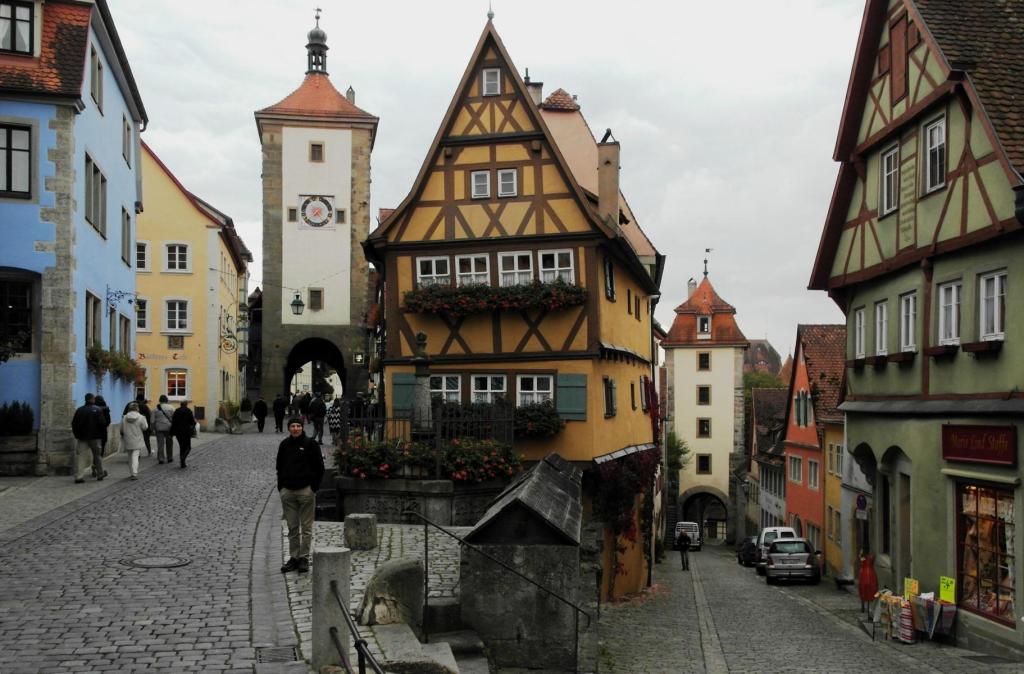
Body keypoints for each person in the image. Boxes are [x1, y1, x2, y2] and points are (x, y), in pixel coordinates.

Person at [277, 418, 324, 574]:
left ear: (302, 428)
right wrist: (281, 487)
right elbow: (279, 466)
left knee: (306, 528)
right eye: (292, 426)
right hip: (288, 491)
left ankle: (303, 558)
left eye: (298, 426)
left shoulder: (311, 444)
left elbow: (319, 468)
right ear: (289, 428)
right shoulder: (284, 445)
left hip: (305, 490)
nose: (295, 428)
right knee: (292, 527)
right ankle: (294, 558)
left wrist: (313, 488)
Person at [71, 393, 107, 483]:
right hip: (95, 437)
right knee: (97, 456)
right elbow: (103, 424)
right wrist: (102, 435)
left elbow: (74, 424)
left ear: (85, 399)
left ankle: (79, 476)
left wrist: (77, 435)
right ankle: (100, 474)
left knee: (81, 457)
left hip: (82, 437)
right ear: (92, 399)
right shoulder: (98, 410)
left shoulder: (79, 410)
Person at [120, 402, 148, 480]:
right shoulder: (141, 417)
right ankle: (135, 473)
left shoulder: (124, 417)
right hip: (137, 439)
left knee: (129, 457)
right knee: (135, 456)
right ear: (137, 408)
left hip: (128, 438)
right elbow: (145, 427)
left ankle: (132, 472)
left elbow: (121, 429)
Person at [170, 400, 196, 468]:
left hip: (178, 432)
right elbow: (192, 422)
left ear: (180, 405)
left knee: (182, 447)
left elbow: (173, 422)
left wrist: (171, 433)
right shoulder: (188, 411)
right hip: (186, 432)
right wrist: (193, 426)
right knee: (188, 447)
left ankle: (182, 463)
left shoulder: (177, 411)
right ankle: (183, 457)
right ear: (186, 404)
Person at [152, 394, 175, 464]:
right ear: (167, 400)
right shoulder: (172, 408)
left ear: (159, 400)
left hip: (159, 428)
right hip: (169, 428)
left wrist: (153, 428)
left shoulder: (155, 409)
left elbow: (152, 421)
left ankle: (161, 458)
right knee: (169, 443)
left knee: (160, 444)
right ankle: (170, 457)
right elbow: (174, 418)